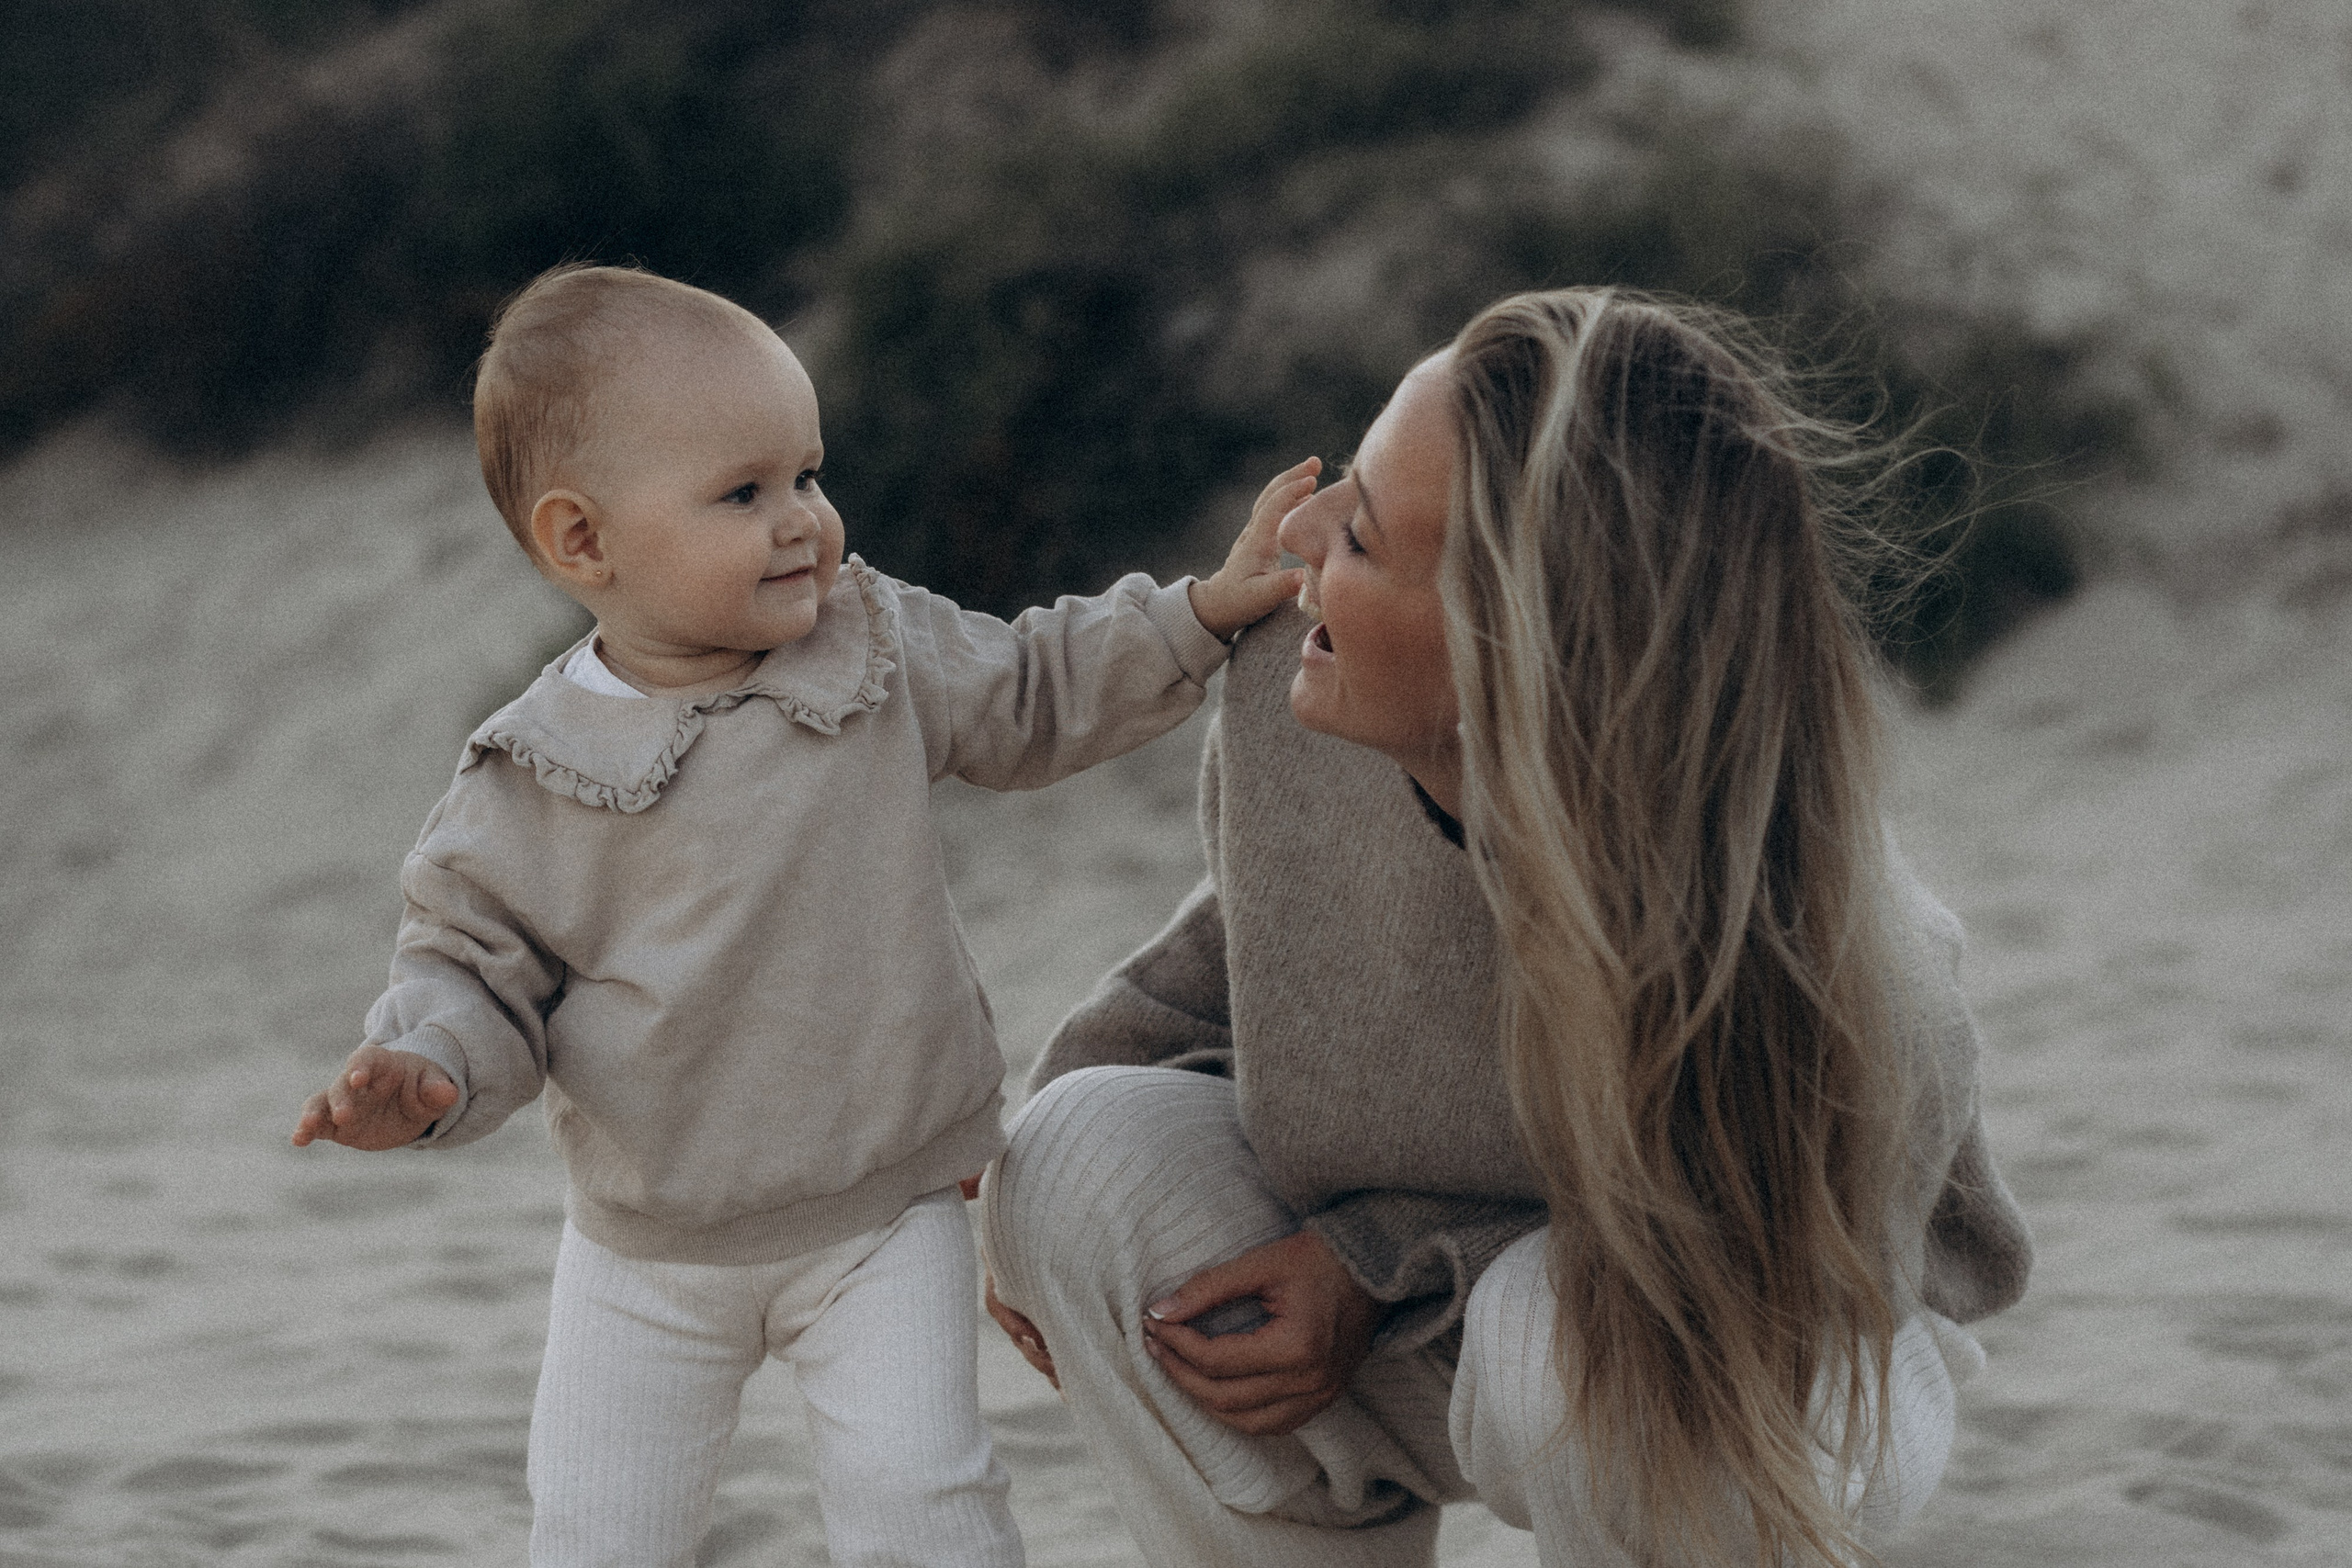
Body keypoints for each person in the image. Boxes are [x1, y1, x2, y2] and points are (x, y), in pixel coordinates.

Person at [978, 287, 2033, 1566]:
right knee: (1084, 1152)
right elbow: (1233, 972)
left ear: (1509, 657)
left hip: (1777, 1364)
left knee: (1569, 1342)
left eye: (1360, 538)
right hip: (1446, 1330)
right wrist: (1022, 1213)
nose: (1297, 533)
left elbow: (1748, 1265)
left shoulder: (1838, 952)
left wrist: (1381, 1266)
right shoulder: (1300, 694)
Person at [287, 263, 1306, 1568]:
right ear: (582, 542)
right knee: (599, 1530)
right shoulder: (528, 774)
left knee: (922, 1499)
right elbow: (469, 969)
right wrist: (424, 1068)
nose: (804, 524)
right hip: (647, 1255)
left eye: (808, 476)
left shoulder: (869, 646)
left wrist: (1200, 613)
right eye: (743, 493)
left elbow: (1036, 688)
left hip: (885, 1212)